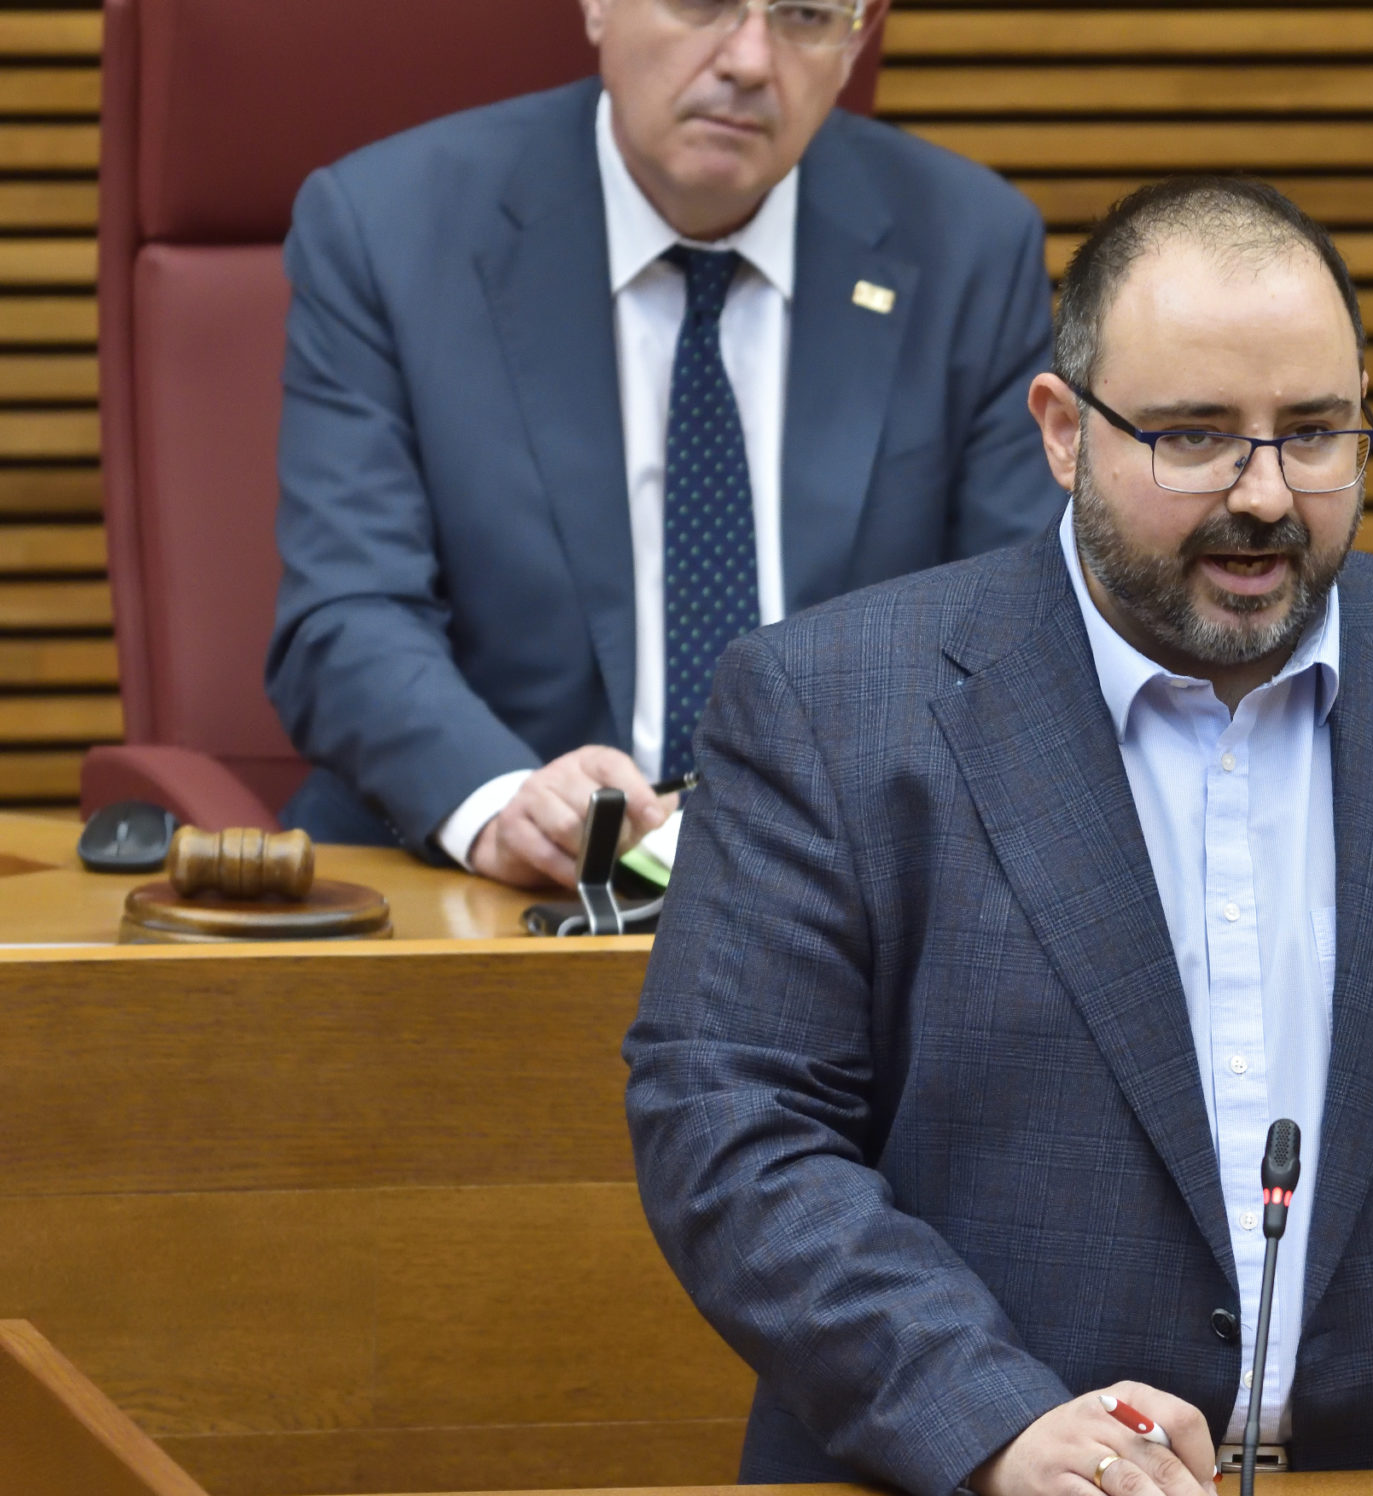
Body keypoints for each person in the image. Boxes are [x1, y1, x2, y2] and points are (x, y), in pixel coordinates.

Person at [625, 177, 1373, 1496]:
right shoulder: (828, 704)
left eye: (1316, 435)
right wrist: (987, 1411)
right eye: (1194, 439)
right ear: (1062, 433)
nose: (1265, 496)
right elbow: (737, 1125)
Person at [267, 0, 1060, 887]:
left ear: (857, 40)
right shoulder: (389, 229)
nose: (751, 60)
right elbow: (347, 614)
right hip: (490, 898)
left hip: (842, 898)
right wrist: (501, 800)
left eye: (803, 14)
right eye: (704, 4)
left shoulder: (968, 248)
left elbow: (1012, 639)